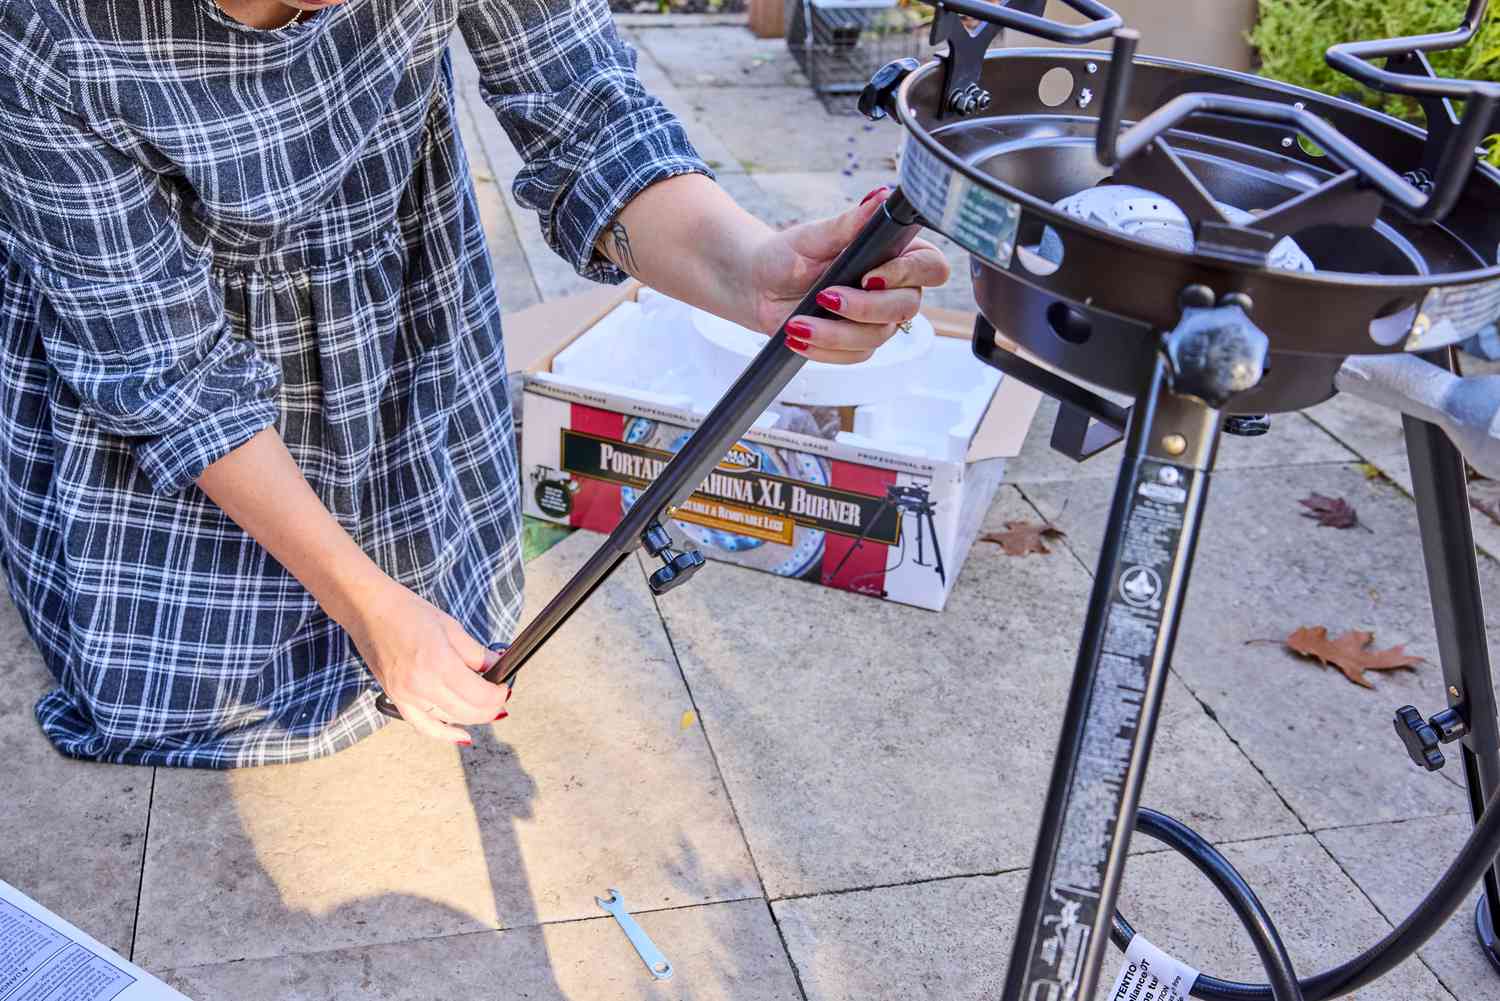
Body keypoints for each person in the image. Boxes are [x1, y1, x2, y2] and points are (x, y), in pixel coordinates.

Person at [0, 0, 948, 768]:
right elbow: (168, 369)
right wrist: (367, 603)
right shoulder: (49, 29)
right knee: (208, 680)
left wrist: (754, 273)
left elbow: (586, 112)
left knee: (440, 609)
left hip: (399, 325)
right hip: (198, 389)